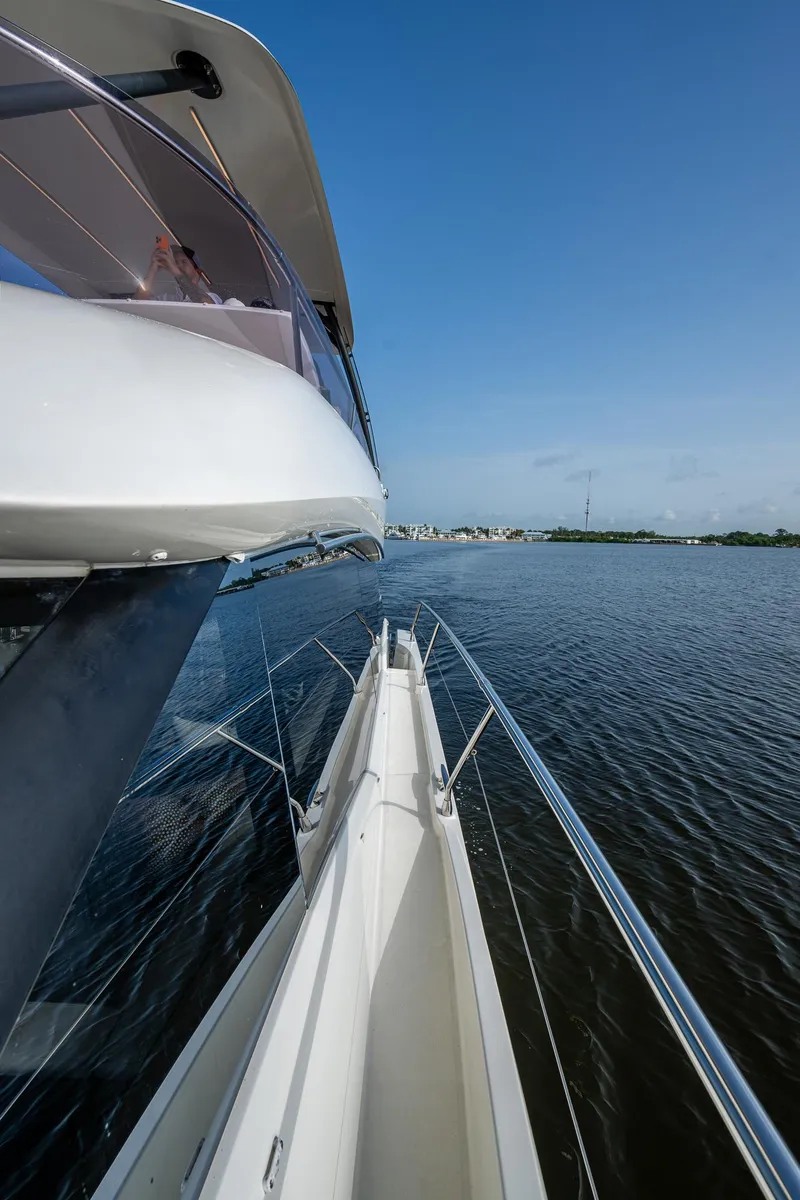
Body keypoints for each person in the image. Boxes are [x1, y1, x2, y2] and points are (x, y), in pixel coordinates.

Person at [138, 242, 222, 304]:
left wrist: (176, 271)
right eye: (175, 262)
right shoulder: (167, 299)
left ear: (198, 272)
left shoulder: (211, 296)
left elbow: (205, 303)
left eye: (184, 262)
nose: (178, 266)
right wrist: (153, 268)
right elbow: (139, 304)